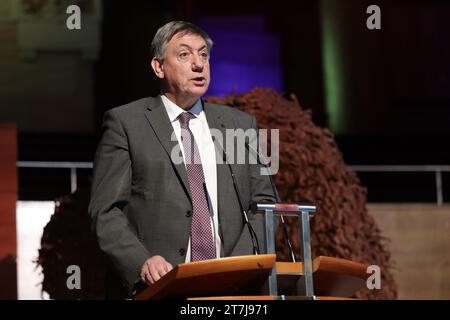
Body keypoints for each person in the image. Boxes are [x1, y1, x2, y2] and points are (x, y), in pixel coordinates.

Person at [88, 21, 277, 299]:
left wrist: (235, 268)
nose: (199, 64)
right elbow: (105, 211)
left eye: (204, 55)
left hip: (233, 289)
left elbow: (265, 205)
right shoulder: (126, 123)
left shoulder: (240, 125)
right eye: (185, 54)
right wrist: (141, 261)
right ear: (159, 66)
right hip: (159, 287)